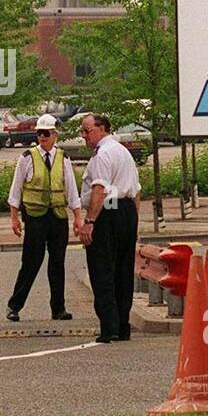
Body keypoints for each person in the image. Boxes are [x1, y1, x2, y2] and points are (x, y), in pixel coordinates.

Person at [6, 114, 82, 321]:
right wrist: (14, 218)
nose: (42, 137)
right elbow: (16, 189)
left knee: (57, 263)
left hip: (57, 216)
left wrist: (77, 217)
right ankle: (14, 306)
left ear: (55, 135)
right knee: (31, 262)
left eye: (46, 133)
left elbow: (71, 190)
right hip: (35, 216)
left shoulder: (64, 158)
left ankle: (58, 308)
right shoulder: (27, 157)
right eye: (39, 133)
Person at [77, 113, 141, 343]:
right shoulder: (123, 151)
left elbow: (100, 190)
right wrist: (133, 221)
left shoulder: (103, 154)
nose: (84, 136)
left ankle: (109, 327)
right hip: (125, 210)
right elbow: (136, 190)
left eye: (87, 130)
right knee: (123, 271)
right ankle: (123, 325)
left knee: (102, 270)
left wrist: (90, 221)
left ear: (102, 129)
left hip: (108, 213)